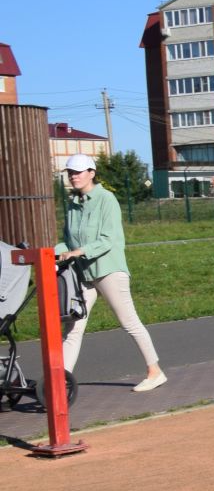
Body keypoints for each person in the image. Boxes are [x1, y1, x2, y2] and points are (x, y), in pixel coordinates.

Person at [56, 154, 165, 399]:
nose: (74, 176)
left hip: (109, 270)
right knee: (73, 327)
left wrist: (78, 251)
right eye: (70, 172)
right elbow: (67, 239)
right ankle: (59, 382)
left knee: (129, 322)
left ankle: (154, 371)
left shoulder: (107, 199)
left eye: (79, 171)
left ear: (91, 173)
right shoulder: (73, 204)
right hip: (84, 273)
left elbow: (109, 239)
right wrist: (51, 252)